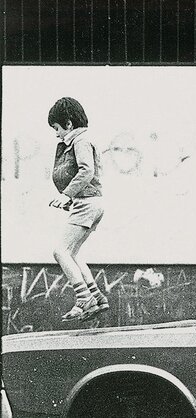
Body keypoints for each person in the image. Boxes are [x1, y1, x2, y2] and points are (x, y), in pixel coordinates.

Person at [47, 97, 109, 322]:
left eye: (57, 128)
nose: (56, 134)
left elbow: (86, 171)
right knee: (72, 253)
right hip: (92, 203)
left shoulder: (81, 141)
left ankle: (84, 299)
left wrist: (66, 195)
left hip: (86, 203)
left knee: (60, 251)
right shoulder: (80, 140)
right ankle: (96, 296)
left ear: (69, 124)